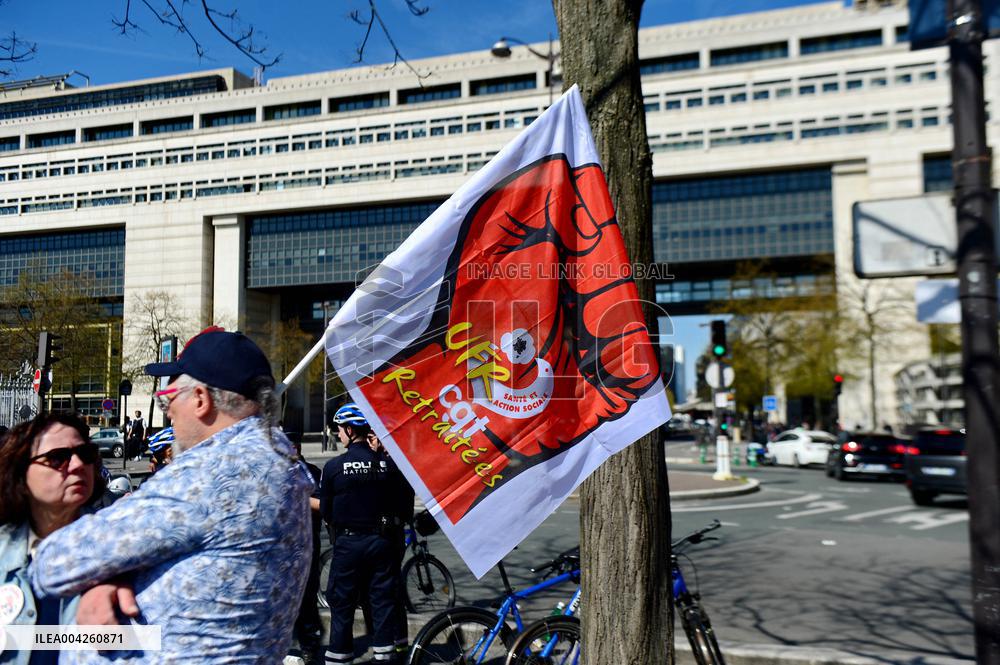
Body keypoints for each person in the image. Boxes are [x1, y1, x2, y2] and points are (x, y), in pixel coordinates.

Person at [29, 328, 315, 664]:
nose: (167, 412)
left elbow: (55, 564)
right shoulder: (278, 461)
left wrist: (101, 570)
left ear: (199, 399)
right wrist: (113, 572)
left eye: (167, 398)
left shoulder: (213, 471)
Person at [0, 412, 105, 665]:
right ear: (21, 471)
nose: (79, 465)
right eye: (58, 458)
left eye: (86, 454)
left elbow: (147, 640)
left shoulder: (127, 546)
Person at [321, 404, 410, 665]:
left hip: (348, 544)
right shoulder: (386, 466)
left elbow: (326, 511)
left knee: (342, 605)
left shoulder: (334, 467)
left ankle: (339, 659)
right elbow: (403, 504)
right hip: (382, 542)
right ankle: (384, 658)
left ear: (350, 429)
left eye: (339, 430)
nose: (338, 435)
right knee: (381, 603)